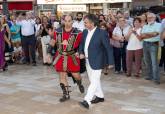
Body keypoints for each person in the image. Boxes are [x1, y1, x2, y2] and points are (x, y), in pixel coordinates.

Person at [78, 14, 114, 109]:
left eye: (86, 22)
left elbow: (108, 48)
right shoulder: (85, 32)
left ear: (92, 23)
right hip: (87, 60)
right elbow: (82, 44)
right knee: (94, 80)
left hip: (98, 60)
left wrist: (111, 62)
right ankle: (100, 96)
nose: (84, 24)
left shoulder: (102, 33)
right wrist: (81, 52)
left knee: (93, 81)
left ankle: (87, 100)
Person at [49, 15, 84, 102]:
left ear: (72, 21)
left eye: (69, 21)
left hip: (73, 57)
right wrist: (48, 53)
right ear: (63, 21)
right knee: (62, 76)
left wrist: (80, 52)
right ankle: (66, 94)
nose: (67, 23)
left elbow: (81, 44)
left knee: (76, 75)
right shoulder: (57, 31)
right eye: (66, 21)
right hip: (60, 56)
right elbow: (53, 41)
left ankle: (79, 83)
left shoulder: (78, 32)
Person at [140, 13, 161, 84]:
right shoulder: (145, 25)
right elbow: (142, 36)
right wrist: (151, 34)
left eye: (151, 17)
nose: (149, 19)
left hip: (153, 45)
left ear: (154, 18)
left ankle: (156, 79)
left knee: (154, 63)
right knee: (147, 61)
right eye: (148, 17)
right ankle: (149, 75)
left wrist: (147, 34)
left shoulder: (159, 25)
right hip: (145, 44)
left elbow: (156, 34)